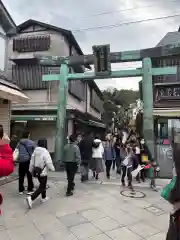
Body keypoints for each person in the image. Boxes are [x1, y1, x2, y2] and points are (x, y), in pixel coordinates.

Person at [26, 139, 55, 208]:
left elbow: (31, 162)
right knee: (42, 186)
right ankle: (31, 198)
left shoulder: (35, 151)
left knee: (43, 185)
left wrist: (30, 170)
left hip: (36, 171)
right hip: (43, 172)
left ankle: (43, 197)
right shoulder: (45, 151)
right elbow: (48, 162)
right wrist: (52, 168)